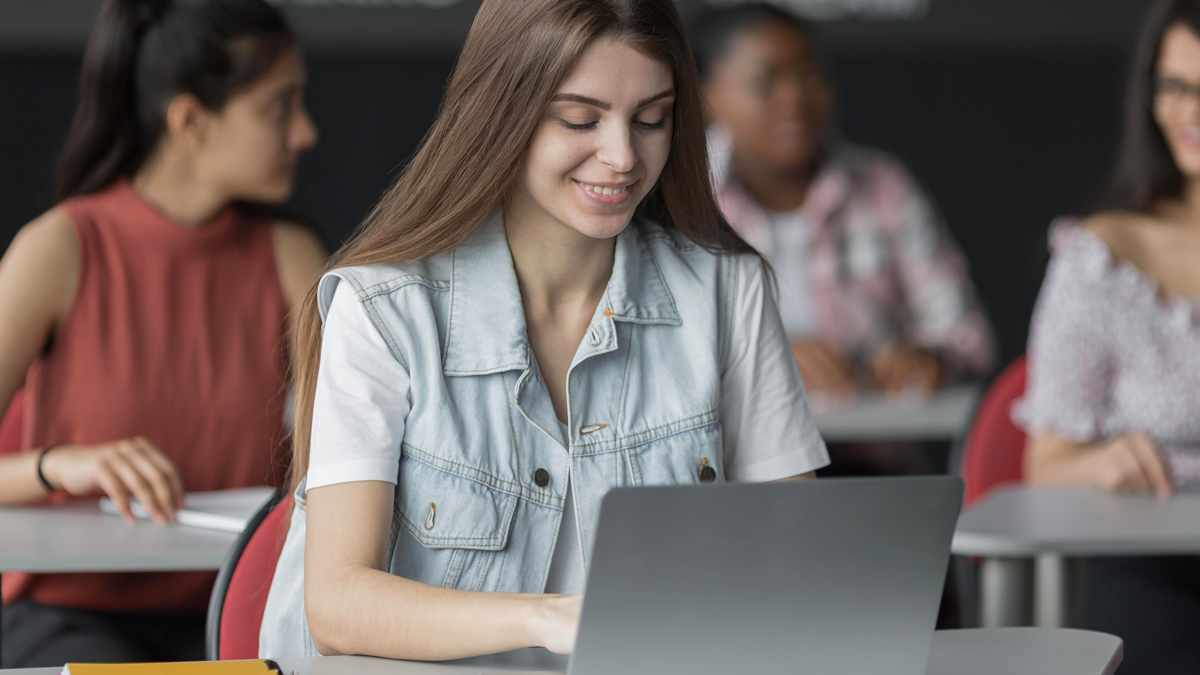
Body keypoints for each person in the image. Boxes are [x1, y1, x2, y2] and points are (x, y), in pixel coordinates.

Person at [258, 0, 829, 660]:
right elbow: (338, 605)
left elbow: (799, 562)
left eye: (652, 119)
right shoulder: (384, 307)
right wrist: (549, 618)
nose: (621, 156)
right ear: (503, 113)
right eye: (579, 119)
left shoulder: (729, 290)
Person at [0, 0, 324, 667]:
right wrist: (58, 463)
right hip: (68, 613)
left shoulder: (293, 258)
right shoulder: (59, 248)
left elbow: (341, 458)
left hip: (235, 610)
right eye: (280, 106)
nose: (306, 133)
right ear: (188, 121)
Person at [1014, 1, 1200, 672]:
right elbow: (1046, 461)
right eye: (1175, 86)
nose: (1190, 112)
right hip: (1151, 557)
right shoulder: (1101, 256)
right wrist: (1104, 461)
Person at [691, 4, 994, 405]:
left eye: (809, 74)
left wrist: (929, 358)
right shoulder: (682, 198)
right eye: (765, 82)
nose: (794, 98)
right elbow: (651, 345)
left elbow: (966, 330)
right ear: (707, 98)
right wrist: (760, 356)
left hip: (867, 455)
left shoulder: (884, 188)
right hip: (727, 459)